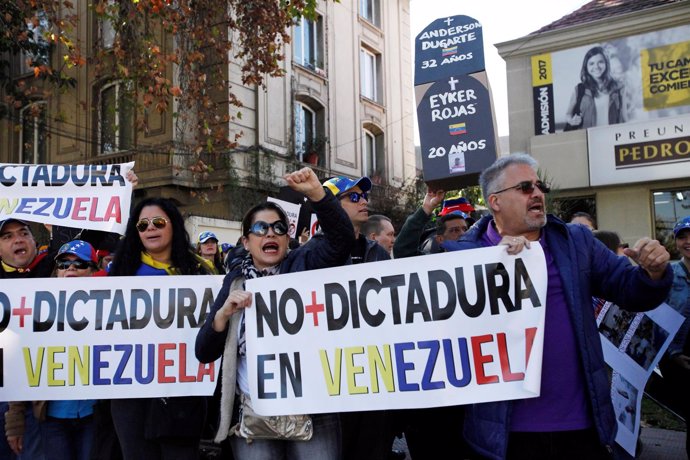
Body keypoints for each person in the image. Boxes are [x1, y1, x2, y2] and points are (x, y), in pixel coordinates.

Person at [443, 153, 672, 459]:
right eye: (525, 187)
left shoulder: (577, 242)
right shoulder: (460, 256)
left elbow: (630, 290)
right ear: (495, 201)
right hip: (505, 435)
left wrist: (653, 273)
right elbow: (447, 335)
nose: (537, 193)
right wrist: (491, 268)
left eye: (540, 186)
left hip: (580, 429)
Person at [195, 167, 354, 459]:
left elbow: (342, 239)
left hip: (312, 410)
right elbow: (203, 352)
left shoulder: (306, 262)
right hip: (254, 412)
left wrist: (318, 194)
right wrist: (222, 317)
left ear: (287, 237)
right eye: (260, 228)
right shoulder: (235, 281)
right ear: (246, 242)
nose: (270, 233)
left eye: (279, 228)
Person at [107, 197, 217, 460]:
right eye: (142, 225)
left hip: (182, 391)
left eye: (157, 222)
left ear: (173, 226)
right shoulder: (121, 272)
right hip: (130, 393)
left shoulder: (202, 271)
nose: (150, 229)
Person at [321, 176, 396, 460]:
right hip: (331, 378)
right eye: (353, 197)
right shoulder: (313, 254)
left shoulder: (376, 252)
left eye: (364, 196)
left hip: (374, 375)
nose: (364, 201)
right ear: (330, 205)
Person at [5, 240, 100, 460]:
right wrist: (15, 422)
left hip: (94, 416)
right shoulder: (36, 312)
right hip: (53, 419)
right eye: (64, 264)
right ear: (56, 271)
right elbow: (20, 366)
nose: (71, 269)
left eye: (80, 264)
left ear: (94, 271)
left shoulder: (112, 313)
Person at [1, 218, 51, 460]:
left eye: (23, 233)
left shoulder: (54, 271)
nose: (18, 240)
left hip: (32, 400)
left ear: (34, 240)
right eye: (7, 237)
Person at [659, 216, 690, 457]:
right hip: (679, 354)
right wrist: (673, 353)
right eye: (682, 236)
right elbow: (659, 316)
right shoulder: (670, 274)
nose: (687, 241)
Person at [565, 46, 627, 129]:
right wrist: (572, 121)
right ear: (586, 67)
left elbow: (624, 117)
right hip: (587, 138)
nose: (596, 67)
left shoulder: (619, 88)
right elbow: (568, 114)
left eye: (600, 62)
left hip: (612, 136)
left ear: (606, 63)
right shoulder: (579, 89)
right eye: (591, 63)